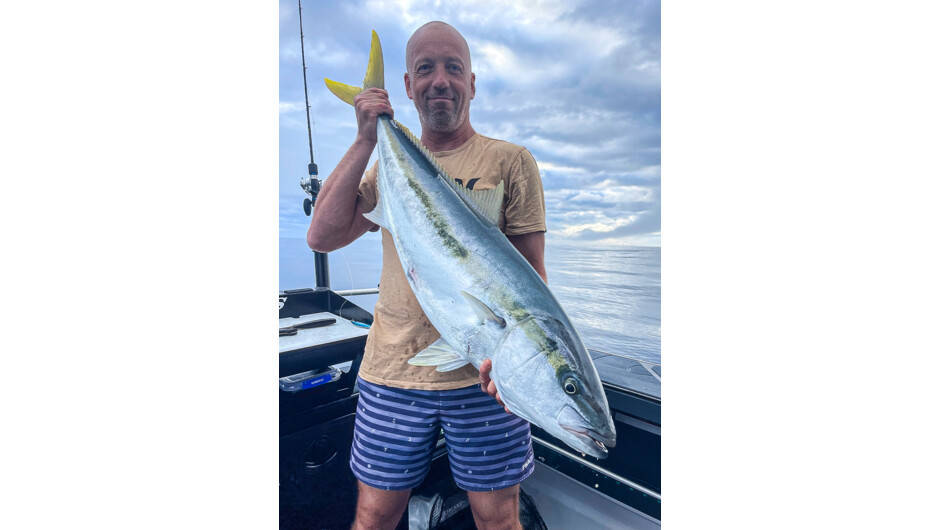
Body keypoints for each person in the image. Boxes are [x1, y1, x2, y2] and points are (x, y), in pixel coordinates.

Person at [307, 21, 546, 530]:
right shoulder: (385, 169)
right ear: (409, 87)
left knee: (499, 518)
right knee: (373, 517)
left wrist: (517, 375)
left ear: (472, 83)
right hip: (394, 370)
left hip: (484, 379)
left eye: (453, 68)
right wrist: (366, 138)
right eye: (425, 69)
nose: (440, 80)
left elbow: (534, 285)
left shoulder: (510, 163)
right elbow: (321, 237)